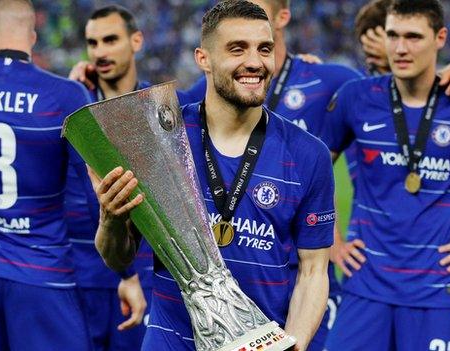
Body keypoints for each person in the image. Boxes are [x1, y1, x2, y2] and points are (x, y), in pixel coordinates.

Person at [90, 1, 334, 350]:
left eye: (264, 49)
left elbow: (313, 272)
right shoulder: (158, 140)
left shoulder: (309, 154)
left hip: (259, 344)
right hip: (171, 340)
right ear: (203, 58)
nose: (254, 62)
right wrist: (110, 220)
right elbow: (118, 257)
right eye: (237, 49)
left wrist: (295, 341)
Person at [323, 1, 450, 350]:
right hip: (365, 286)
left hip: (437, 292)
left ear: (440, 37)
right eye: (393, 36)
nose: (401, 48)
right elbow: (315, 164)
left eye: (414, 37)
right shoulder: (356, 98)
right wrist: (332, 240)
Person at [0, 1, 95, 349]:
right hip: (44, 270)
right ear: (33, 37)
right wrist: (124, 272)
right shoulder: (66, 96)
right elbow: (94, 194)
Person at [64, 5, 151, 351]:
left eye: (110, 40)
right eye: (93, 43)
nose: (100, 51)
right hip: (78, 277)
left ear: (136, 41)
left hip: (140, 276)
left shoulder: (161, 107)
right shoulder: (71, 107)